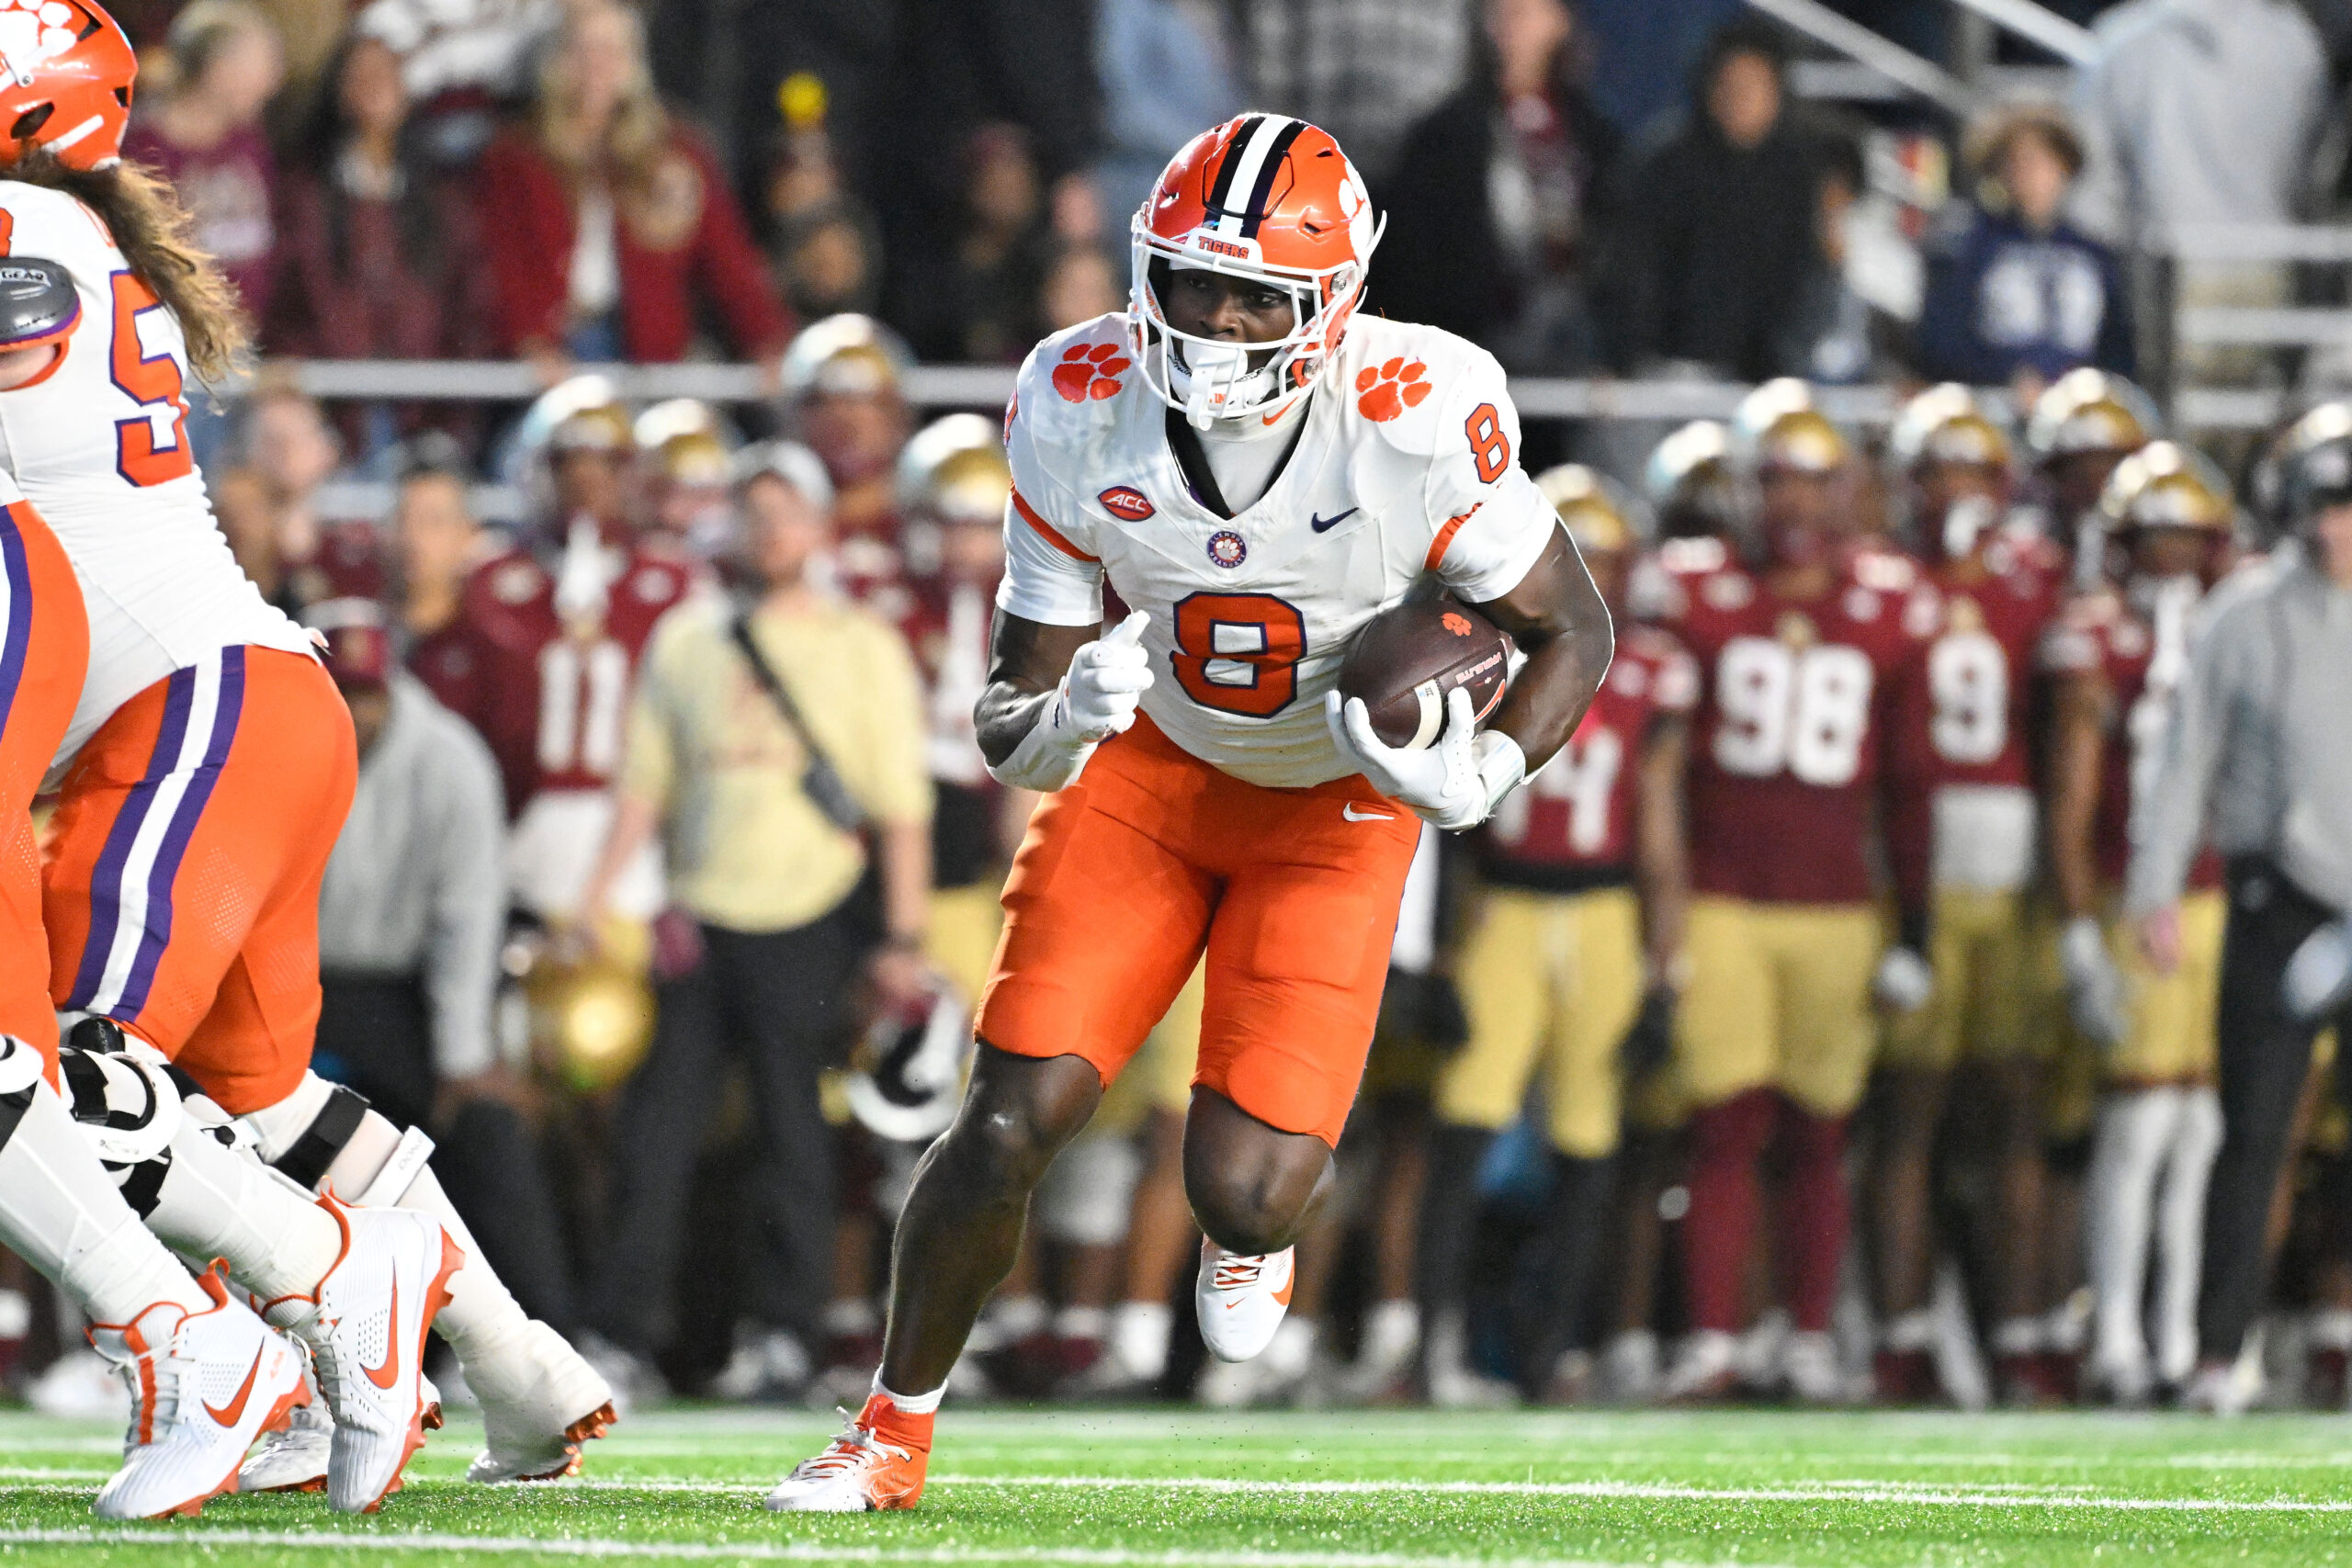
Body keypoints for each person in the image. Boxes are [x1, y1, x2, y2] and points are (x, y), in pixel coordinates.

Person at [767, 111, 1611, 1511]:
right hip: (1149, 778)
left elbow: (1573, 626)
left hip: (1334, 803)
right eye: (1193, 282)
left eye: (1256, 296)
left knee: (1247, 1186)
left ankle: (1249, 1228)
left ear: (1335, 300)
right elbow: (1009, 718)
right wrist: (1065, 718)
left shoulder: (1419, 408)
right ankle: (889, 1432)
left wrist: (1486, 769)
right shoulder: (1076, 391)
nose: (1216, 321)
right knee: (1008, 1116)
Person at [0, 8, 612, 1495]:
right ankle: (517, 1359)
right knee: (265, 1100)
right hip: (225, 704)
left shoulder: (27, 233)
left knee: (80, 1078)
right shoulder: (74, 232)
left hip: (185, 714)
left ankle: (286, 1311)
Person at [577, 440, 933, 1403]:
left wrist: (902, 941)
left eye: (786, 513)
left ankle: (784, 1333)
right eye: (754, 512)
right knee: (655, 1136)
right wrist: (597, 899)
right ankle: (623, 1332)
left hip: (811, 911)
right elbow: (645, 785)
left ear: (819, 529)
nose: (769, 532)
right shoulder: (686, 640)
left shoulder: (861, 643)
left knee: (793, 1138)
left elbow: (901, 808)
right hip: (701, 913)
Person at [1651, 386, 1935, 1405]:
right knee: (1724, 1124)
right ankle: (1716, 1339)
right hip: (1724, 893)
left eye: (1815, 484)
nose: (1796, 506)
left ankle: (1807, 1333)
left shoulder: (1890, 601)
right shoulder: (1695, 589)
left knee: (1821, 1131)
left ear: (1847, 493)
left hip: (1837, 904)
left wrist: (1915, 927)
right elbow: (1660, 776)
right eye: (1777, 482)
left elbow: (1909, 782)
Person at [1418, 466, 1692, 1405]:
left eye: (1600, 559)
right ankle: (1432, 1349)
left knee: (1589, 1141)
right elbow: (1449, 824)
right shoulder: (1477, 655)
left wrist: (1666, 970)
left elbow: (1658, 830)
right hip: (1503, 905)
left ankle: (1552, 1351)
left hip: (1604, 912)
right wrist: (1442, 954)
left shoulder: (1649, 668)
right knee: (1463, 1128)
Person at [2126, 404, 2352, 1414]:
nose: (2337, 524)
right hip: (2276, 900)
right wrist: (2155, 885)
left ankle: (2333, 1325)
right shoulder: (2243, 614)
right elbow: (2187, 759)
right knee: (2253, 1133)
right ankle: (2220, 1352)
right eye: (2325, 502)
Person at [1869, 389, 2064, 1405]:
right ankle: (1901, 1334)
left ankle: (2022, 1332)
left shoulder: (2036, 579)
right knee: (1909, 1114)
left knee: (2015, 1111)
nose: (1956, 492)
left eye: (1973, 472)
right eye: (1940, 472)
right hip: (1915, 871)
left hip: (2012, 871)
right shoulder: (1882, 583)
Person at [2041, 442, 2236, 1405]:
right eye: (2155, 536)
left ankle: (2181, 1334)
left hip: (2222, 893)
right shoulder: (2097, 636)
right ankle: (2116, 1331)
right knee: (2140, 1121)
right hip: (2140, 892)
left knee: (2201, 1127)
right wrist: (2080, 924)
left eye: (2186, 538)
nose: (2171, 556)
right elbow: (2072, 801)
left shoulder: (2238, 628)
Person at [474, 0, 789, 367]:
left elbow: (729, 259)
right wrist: (530, 341)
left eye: (610, 51)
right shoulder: (518, 156)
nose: (597, 66)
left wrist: (768, 341)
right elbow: (501, 263)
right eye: (584, 51)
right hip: (554, 348)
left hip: (647, 351)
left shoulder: (675, 151)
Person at [266, 32, 494, 455]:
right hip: (331, 399)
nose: (374, 87)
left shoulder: (441, 198)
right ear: (340, 92)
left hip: (425, 401)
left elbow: (468, 300)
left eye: (386, 76)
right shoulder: (307, 193)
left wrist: (451, 403)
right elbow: (289, 293)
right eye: (361, 76)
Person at [1376, 0, 1621, 374]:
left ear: (1561, 22)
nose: (1511, 21)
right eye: (1501, 10)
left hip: (1576, 356)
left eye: (1526, 11)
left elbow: (1620, 247)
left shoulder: (1596, 137)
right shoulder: (1443, 137)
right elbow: (1413, 262)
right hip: (1469, 353)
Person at [1609, 19, 1825, 381]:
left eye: (1755, 86)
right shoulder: (1664, 166)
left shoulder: (1796, 175)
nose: (1741, 99)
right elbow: (1632, 274)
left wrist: (1776, 364)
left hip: (1762, 379)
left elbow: (1801, 281)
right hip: (1665, 374)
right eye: (1731, 84)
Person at [1915, 104, 2132, 403]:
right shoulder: (1971, 247)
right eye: (2016, 161)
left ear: (2064, 166)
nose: (2030, 173)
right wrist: (2008, 375)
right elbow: (1943, 342)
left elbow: (2116, 348)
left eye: (2042, 159)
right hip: (1994, 406)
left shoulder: (2093, 252)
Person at [120, 0, 283, 326]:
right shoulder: (138, 150)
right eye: (263, 66)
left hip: (245, 338)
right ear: (218, 68)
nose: (273, 84)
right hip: (165, 333)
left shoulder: (249, 143)